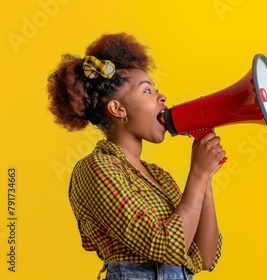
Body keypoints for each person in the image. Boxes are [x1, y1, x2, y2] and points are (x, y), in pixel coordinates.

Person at [47, 33, 224, 280]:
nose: (162, 97)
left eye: (157, 90)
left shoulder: (159, 176)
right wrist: (197, 173)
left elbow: (205, 257)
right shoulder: (96, 169)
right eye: (147, 90)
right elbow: (168, 246)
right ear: (118, 109)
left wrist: (205, 179)